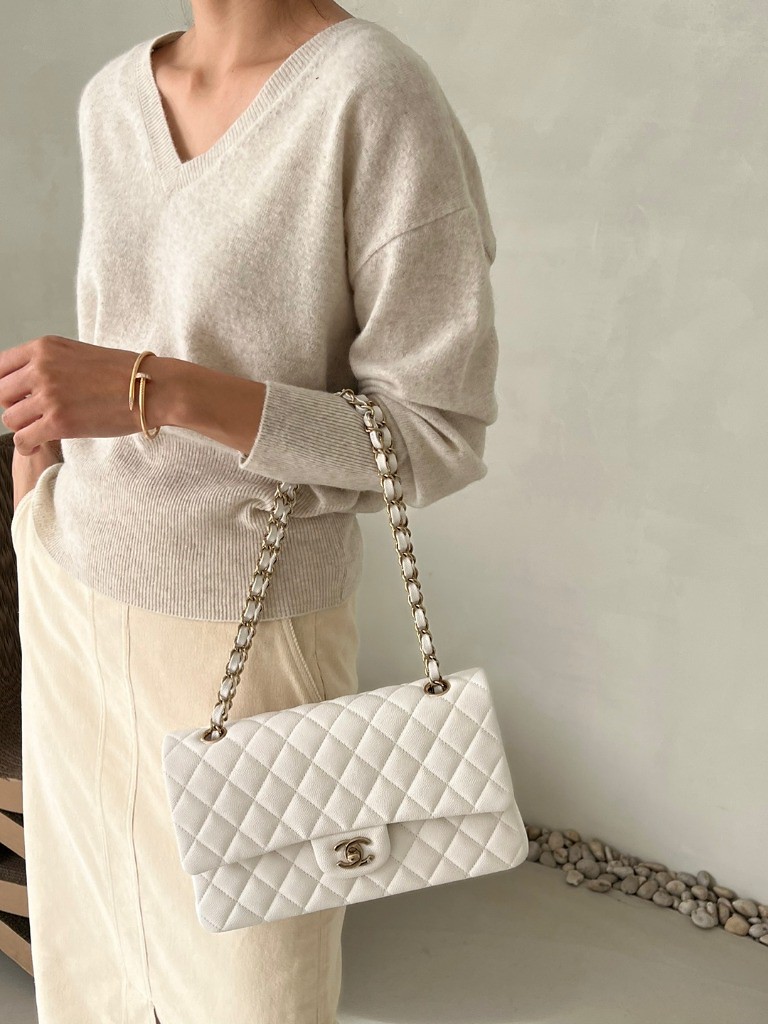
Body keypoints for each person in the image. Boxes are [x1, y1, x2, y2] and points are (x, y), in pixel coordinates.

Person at [0, 0, 501, 1021]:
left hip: (246, 632)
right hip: (71, 589)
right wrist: (38, 487)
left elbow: (432, 434)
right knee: (92, 974)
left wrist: (158, 389)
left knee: (256, 996)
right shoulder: (113, 98)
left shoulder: (370, 92)